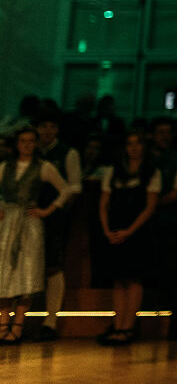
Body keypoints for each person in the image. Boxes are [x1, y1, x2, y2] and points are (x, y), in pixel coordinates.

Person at [0, 127, 71, 344]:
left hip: (29, 224)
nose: (27, 145)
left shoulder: (43, 167)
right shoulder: (5, 167)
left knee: (25, 275)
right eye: (23, 141)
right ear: (17, 143)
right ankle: (3, 326)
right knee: (5, 276)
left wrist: (47, 210)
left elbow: (66, 189)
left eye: (31, 141)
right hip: (7, 223)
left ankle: (18, 327)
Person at [97, 129, 160, 346]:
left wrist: (130, 230)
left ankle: (128, 327)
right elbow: (104, 204)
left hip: (137, 232)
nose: (134, 148)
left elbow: (150, 207)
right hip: (115, 230)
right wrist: (106, 230)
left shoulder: (152, 172)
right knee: (118, 280)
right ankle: (117, 325)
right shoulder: (113, 172)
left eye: (138, 143)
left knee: (133, 279)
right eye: (130, 143)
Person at [34, 107, 81, 342]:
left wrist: (57, 212)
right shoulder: (29, 150)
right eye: (43, 126)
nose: (48, 131)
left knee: (53, 265)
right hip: (28, 216)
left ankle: (50, 321)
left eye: (52, 126)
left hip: (54, 216)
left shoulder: (67, 153)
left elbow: (75, 187)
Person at [150, 117, 177, 339]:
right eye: (160, 132)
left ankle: (175, 321)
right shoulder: (145, 159)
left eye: (168, 132)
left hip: (168, 223)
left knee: (172, 273)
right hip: (145, 225)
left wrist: (151, 205)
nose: (164, 136)